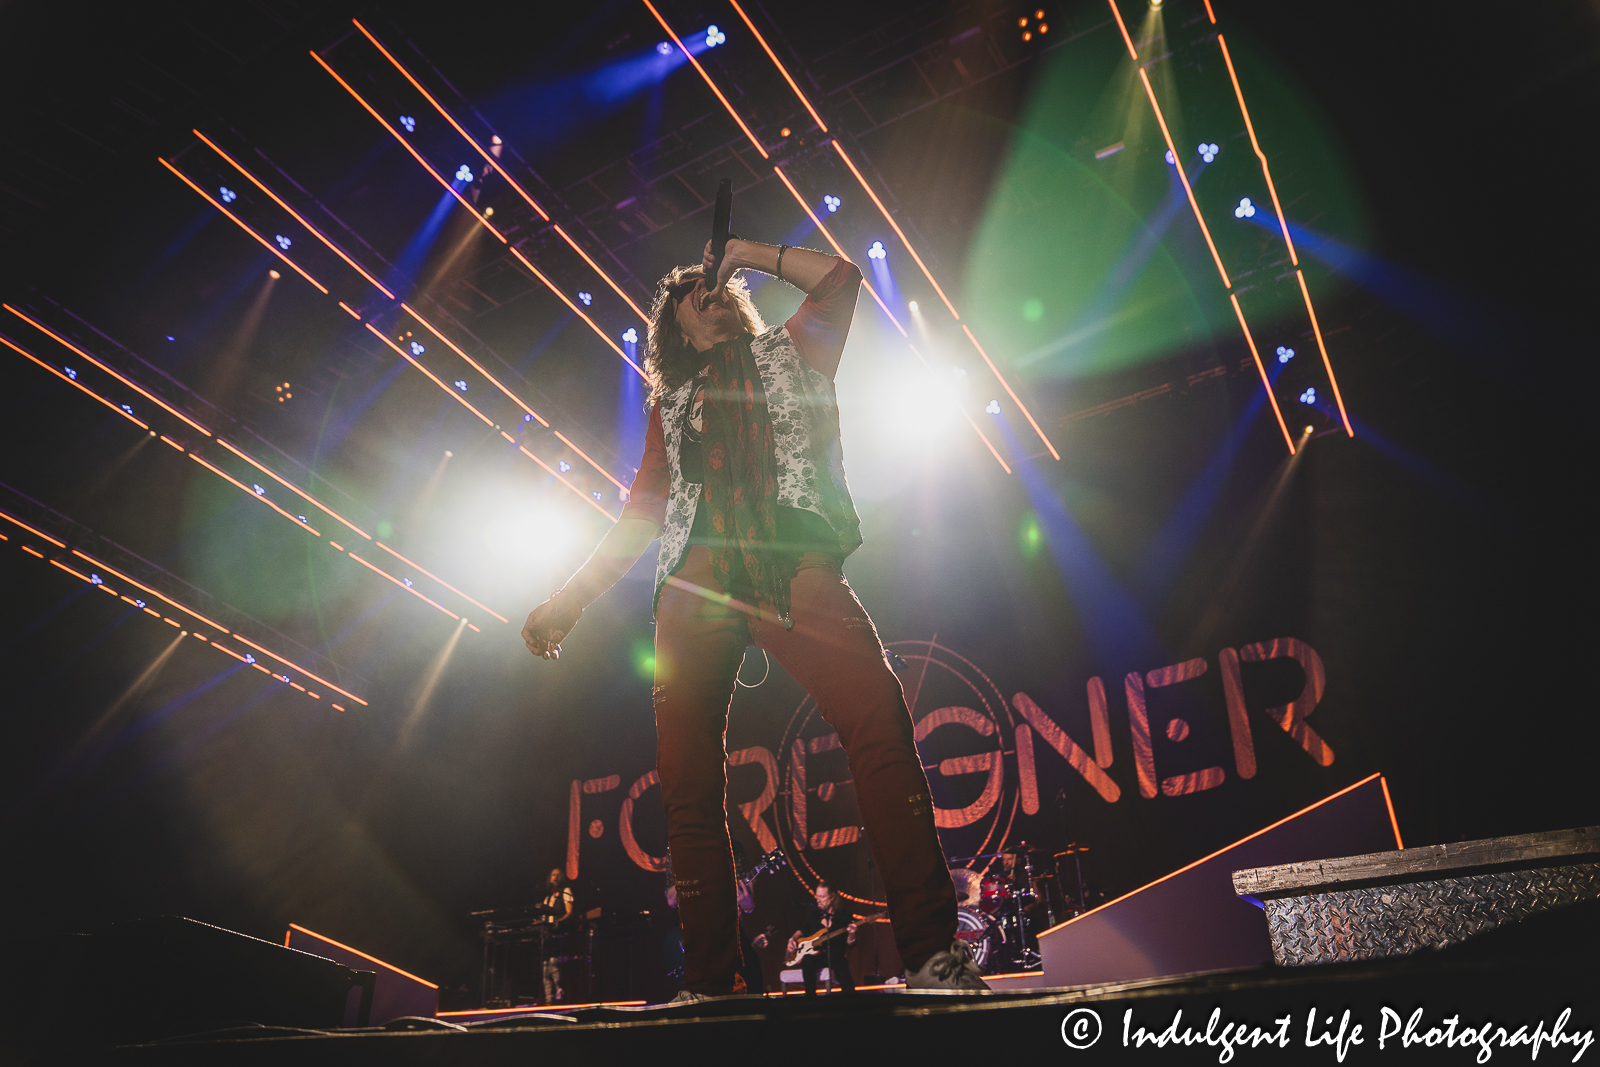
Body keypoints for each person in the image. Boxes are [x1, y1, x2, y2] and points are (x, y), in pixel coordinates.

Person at [521, 235, 988, 999]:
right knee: (687, 785)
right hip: (693, 587)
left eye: (714, 289)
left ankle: (934, 957)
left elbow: (840, 281)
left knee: (878, 718)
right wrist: (569, 599)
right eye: (690, 298)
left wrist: (742, 251)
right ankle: (714, 983)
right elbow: (639, 516)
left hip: (789, 558)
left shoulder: (792, 349)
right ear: (677, 330)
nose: (707, 297)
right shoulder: (669, 408)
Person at [788, 880, 856, 995]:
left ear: (832, 897)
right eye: (817, 896)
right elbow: (803, 929)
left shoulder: (844, 915)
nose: (817, 900)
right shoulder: (813, 913)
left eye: (822, 897)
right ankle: (811, 1000)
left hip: (835, 956)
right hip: (816, 956)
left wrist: (852, 934)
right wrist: (792, 939)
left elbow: (850, 944)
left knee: (845, 975)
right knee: (807, 960)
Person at [539, 868, 575, 1003]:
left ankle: (560, 994)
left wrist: (557, 923)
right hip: (547, 935)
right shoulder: (547, 897)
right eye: (552, 874)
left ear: (561, 877)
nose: (554, 877)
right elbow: (543, 916)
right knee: (544, 966)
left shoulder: (566, 892)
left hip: (557, 933)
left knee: (554, 964)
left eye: (557, 875)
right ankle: (548, 998)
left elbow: (569, 913)